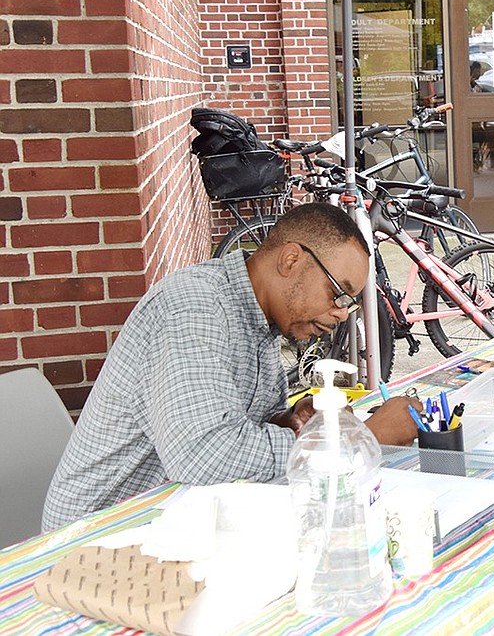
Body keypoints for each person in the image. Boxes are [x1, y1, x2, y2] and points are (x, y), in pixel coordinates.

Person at [43, 203, 422, 532]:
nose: (341, 313)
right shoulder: (193, 310)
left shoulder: (260, 318)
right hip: (99, 537)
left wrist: (290, 422)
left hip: (179, 523)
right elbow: (204, 455)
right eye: (338, 293)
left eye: (350, 302)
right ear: (291, 260)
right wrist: (357, 440)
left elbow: (231, 430)